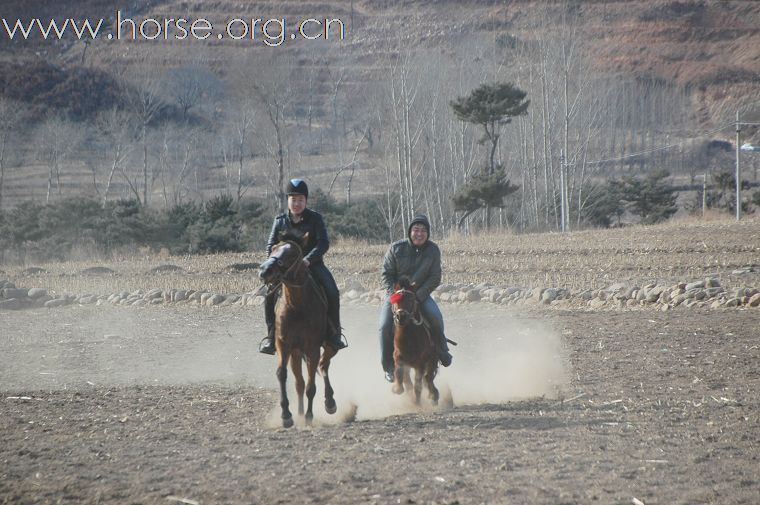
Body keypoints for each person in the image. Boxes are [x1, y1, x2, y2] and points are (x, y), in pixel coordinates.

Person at [258, 178, 347, 355]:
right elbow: (270, 245)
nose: (297, 203)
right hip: (284, 269)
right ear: (288, 201)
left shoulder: (315, 219)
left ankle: (334, 334)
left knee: (332, 291)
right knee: (269, 296)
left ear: (306, 201)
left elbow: (323, 243)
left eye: (300, 200)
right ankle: (270, 337)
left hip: (312, 265)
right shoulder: (280, 221)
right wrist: (274, 262)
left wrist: (307, 260)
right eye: (293, 199)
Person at [378, 214, 452, 382]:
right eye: (416, 230)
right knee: (384, 326)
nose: (419, 234)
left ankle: (442, 351)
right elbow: (386, 274)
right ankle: (389, 367)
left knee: (435, 315)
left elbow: (434, 277)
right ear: (410, 232)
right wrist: (393, 294)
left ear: (428, 233)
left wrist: (419, 295)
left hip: (420, 295)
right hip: (396, 297)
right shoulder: (396, 248)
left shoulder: (433, 250)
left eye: (423, 231)